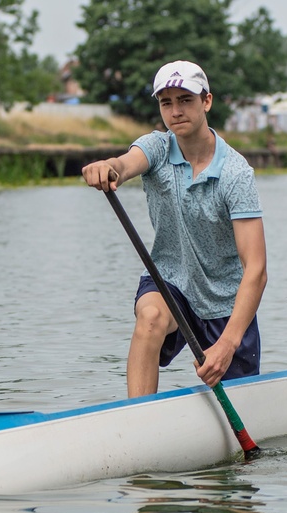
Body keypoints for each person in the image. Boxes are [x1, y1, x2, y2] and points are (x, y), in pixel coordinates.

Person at [81, 60, 267, 398]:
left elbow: (256, 269)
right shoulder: (156, 147)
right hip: (170, 282)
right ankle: (139, 416)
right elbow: (124, 165)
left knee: (242, 404)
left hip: (224, 303)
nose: (175, 111)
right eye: (166, 102)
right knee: (150, 317)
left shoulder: (235, 174)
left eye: (185, 100)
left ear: (206, 101)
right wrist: (107, 167)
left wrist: (227, 344)